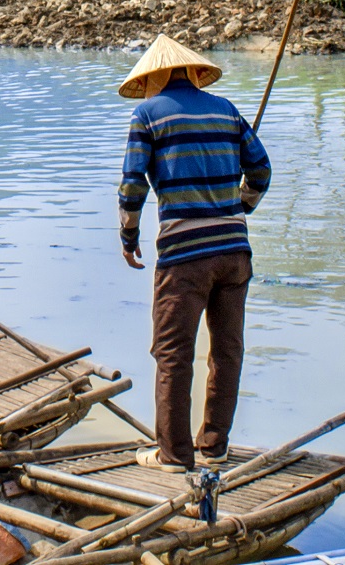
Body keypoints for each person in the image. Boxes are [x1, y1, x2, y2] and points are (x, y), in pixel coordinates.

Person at [116, 34, 272, 473]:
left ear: (159, 77)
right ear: (192, 74)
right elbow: (261, 170)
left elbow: (132, 187)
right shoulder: (226, 110)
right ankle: (215, 445)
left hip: (184, 257)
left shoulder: (146, 115)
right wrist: (239, 206)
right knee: (227, 350)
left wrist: (128, 238)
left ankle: (174, 456)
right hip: (234, 253)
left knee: (173, 352)